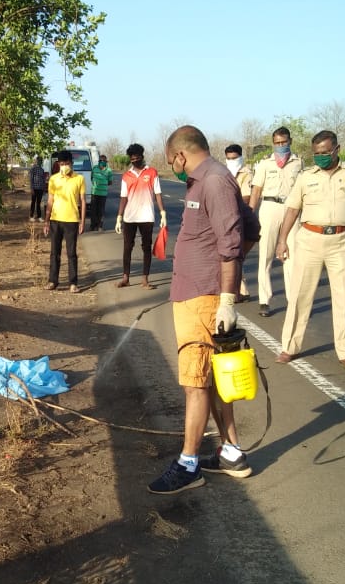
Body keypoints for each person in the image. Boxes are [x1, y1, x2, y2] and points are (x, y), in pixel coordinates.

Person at [148, 125, 254, 495]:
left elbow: (234, 240)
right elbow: (250, 228)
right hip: (194, 293)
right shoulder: (203, 181)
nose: (172, 167)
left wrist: (226, 296)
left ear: (180, 154)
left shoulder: (215, 181)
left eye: (170, 161)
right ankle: (231, 453)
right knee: (211, 379)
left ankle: (188, 463)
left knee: (195, 383)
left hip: (204, 298)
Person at [273, 130, 345, 371]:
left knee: (344, 297)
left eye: (325, 153)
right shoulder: (305, 176)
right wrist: (282, 241)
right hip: (309, 240)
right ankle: (289, 347)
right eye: (317, 154)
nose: (321, 157)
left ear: (337, 150)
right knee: (300, 295)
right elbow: (292, 209)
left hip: (342, 241)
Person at [248, 127, 304, 317]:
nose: (281, 146)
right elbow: (256, 190)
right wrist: (249, 214)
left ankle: (293, 301)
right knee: (266, 254)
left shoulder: (299, 163)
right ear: (273, 143)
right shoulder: (265, 164)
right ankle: (264, 300)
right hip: (270, 207)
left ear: (290, 141)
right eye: (277, 143)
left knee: (291, 256)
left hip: (292, 209)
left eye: (284, 142)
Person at [115, 143, 166, 288]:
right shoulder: (126, 176)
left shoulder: (152, 173)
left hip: (147, 216)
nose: (135, 160)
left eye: (137, 157)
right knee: (127, 247)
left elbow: (158, 194)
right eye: (132, 158)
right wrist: (119, 217)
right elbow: (123, 197)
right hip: (130, 217)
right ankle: (126, 277)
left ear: (142, 157)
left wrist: (163, 213)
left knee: (146, 248)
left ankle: (145, 278)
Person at [44, 149, 86, 293]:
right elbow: (50, 200)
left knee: (71, 253)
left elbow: (83, 201)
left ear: (71, 163)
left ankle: (73, 283)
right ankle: (52, 281)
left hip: (72, 220)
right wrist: (46, 221)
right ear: (58, 164)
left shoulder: (79, 179)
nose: (64, 166)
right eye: (61, 164)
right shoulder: (53, 179)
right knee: (54, 252)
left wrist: (82, 221)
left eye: (66, 163)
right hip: (55, 220)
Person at [226, 144, 255, 301]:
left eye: (234, 158)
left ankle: (238, 290)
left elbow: (246, 197)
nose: (231, 161)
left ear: (240, 157)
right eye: (229, 158)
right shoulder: (223, 173)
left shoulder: (246, 174)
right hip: (225, 217)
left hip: (240, 217)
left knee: (235, 254)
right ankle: (240, 288)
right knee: (232, 254)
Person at [90, 154, 114, 231]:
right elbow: (91, 178)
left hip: (103, 194)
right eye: (100, 161)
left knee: (101, 211)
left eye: (103, 161)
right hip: (94, 192)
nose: (102, 162)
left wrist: (103, 183)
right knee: (93, 210)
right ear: (98, 161)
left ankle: (100, 226)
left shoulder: (109, 170)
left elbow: (110, 182)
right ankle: (93, 225)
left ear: (106, 162)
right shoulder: (94, 168)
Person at [29, 155, 48, 221]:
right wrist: (31, 189)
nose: (40, 162)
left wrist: (43, 188)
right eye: (39, 160)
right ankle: (31, 216)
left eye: (41, 161)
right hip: (34, 188)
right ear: (36, 161)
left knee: (39, 203)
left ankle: (39, 216)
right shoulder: (33, 169)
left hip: (40, 189)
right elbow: (31, 179)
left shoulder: (42, 170)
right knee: (33, 202)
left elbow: (43, 180)